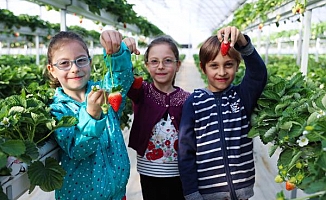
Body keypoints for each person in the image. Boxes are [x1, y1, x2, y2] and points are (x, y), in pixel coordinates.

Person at [45, 30, 139, 199]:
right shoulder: (57, 110)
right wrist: (92, 116)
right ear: (52, 70)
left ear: (89, 61)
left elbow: (120, 77)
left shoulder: (104, 92)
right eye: (64, 63)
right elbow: (78, 149)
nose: (75, 69)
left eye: (81, 60)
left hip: (117, 193)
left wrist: (116, 52)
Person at [178, 26, 268, 200]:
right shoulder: (194, 102)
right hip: (208, 194)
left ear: (237, 65)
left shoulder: (241, 96)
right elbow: (185, 151)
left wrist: (242, 42)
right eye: (214, 66)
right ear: (203, 68)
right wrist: (192, 194)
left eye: (228, 65)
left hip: (242, 192)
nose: (222, 72)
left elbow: (258, 74)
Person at [127, 35, 191, 199]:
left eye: (168, 61)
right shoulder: (142, 91)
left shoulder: (187, 98)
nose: (161, 66)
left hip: (179, 172)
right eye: (154, 61)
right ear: (147, 65)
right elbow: (123, 76)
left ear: (178, 65)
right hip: (149, 172)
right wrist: (123, 53)